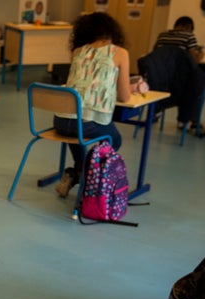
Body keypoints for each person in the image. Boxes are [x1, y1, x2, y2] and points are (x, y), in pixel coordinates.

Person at [53, 12, 131, 197]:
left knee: (76, 130)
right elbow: (125, 96)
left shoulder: (78, 52)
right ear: (112, 31)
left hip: (61, 122)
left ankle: (77, 172)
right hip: (86, 124)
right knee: (114, 139)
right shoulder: (120, 53)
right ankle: (89, 175)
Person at [153, 16, 205, 132]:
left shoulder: (162, 35)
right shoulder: (189, 36)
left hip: (160, 81)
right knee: (200, 84)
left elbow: (154, 55)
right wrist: (201, 53)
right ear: (187, 27)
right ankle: (191, 121)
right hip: (181, 84)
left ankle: (155, 112)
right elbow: (195, 60)